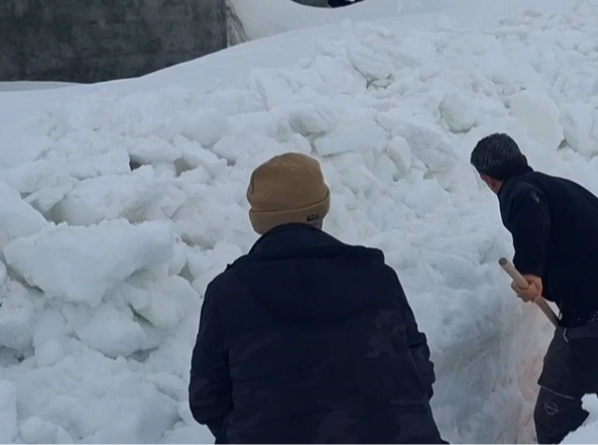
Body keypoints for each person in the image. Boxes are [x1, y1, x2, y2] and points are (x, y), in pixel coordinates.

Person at [188, 152, 448, 445]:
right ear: (321, 209)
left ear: (258, 220)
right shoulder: (377, 278)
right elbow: (419, 370)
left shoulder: (228, 295)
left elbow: (206, 400)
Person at [470, 133, 598, 445]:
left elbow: (530, 214)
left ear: (487, 179)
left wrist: (530, 272)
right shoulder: (561, 188)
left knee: (555, 417)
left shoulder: (520, 191)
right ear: (522, 158)